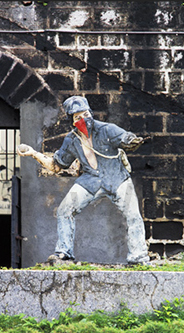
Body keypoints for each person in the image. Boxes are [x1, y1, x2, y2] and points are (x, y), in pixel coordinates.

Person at [17, 95, 150, 265]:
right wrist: (33, 153)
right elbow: (56, 165)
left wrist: (132, 141)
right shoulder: (71, 140)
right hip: (90, 181)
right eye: (77, 117)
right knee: (65, 210)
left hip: (118, 178)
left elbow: (126, 138)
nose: (83, 119)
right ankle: (64, 253)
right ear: (71, 120)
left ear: (91, 113)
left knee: (133, 215)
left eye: (85, 114)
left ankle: (138, 257)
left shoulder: (107, 129)